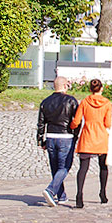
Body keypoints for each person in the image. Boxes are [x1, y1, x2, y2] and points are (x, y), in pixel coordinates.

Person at [37, 76, 79, 207]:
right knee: (65, 167)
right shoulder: (71, 101)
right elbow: (77, 121)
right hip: (66, 137)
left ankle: (62, 196)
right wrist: (76, 137)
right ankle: (50, 190)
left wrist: (40, 140)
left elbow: (41, 123)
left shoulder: (45, 102)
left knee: (55, 168)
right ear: (65, 85)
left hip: (50, 136)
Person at [70, 79, 112, 208]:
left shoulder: (84, 102)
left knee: (83, 168)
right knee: (103, 166)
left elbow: (76, 121)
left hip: (87, 136)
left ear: (89, 89)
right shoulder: (107, 104)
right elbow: (108, 123)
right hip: (101, 137)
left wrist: (71, 126)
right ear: (102, 88)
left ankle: (79, 194)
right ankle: (103, 193)